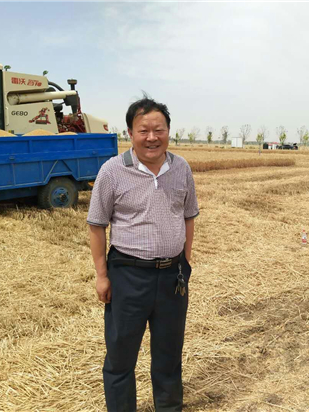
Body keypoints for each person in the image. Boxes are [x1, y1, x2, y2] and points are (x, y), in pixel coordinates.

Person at [87, 95, 199, 412]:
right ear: (130, 133)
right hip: (127, 276)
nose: (152, 137)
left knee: (169, 356)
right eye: (143, 130)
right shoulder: (112, 171)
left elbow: (188, 217)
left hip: (172, 277)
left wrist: (186, 262)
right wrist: (102, 276)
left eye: (158, 130)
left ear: (168, 132)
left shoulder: (181, 168)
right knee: (120, 359)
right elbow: (96, 226)